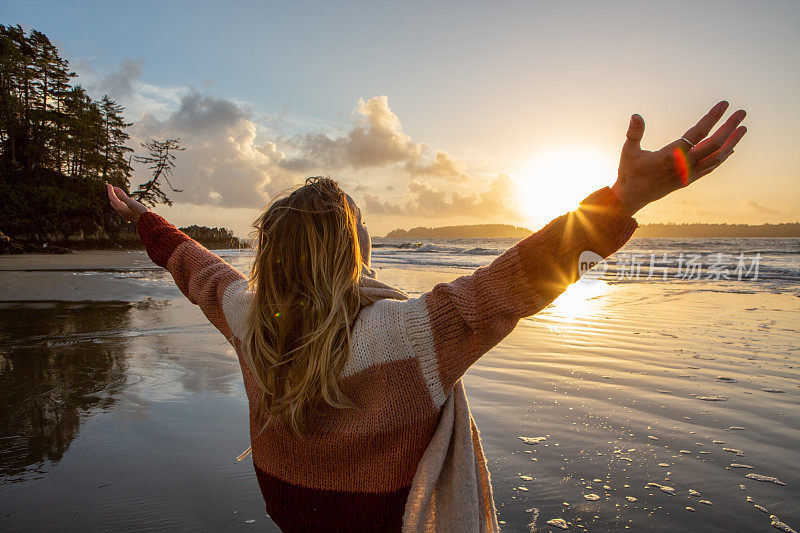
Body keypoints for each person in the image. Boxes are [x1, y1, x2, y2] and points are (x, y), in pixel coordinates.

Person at [107, 101, 746, 532]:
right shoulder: (410, 336)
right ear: (352, 251)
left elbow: (198, 271)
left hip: (286, 507)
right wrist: (627, 197)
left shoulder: (249, 318)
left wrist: (145, 219)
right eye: (360, 229)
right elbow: (520, 279)